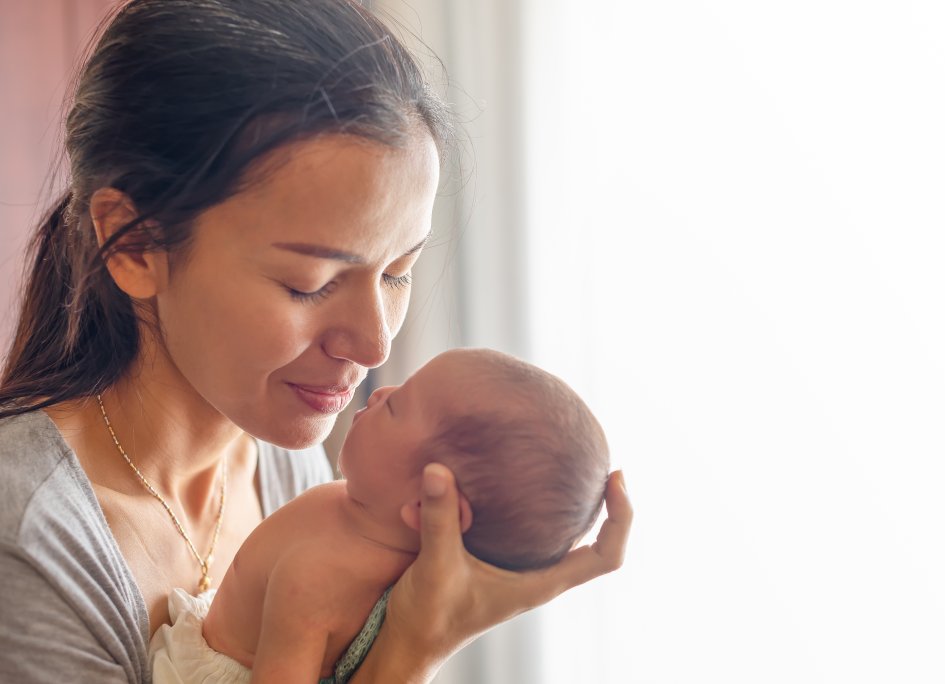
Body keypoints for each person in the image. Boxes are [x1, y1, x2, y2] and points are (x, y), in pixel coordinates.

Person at [0, 1, 631, 683]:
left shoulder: (285, 462)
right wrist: (413, 648)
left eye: (398, 273)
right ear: (137, 244)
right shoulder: (30, 542)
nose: (373, 345)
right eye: (310, 283)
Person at [148, 347, 611, 683]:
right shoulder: (376, 529)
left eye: (395, 405)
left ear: (430, 504)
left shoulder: (317, 576)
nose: (379, 391)